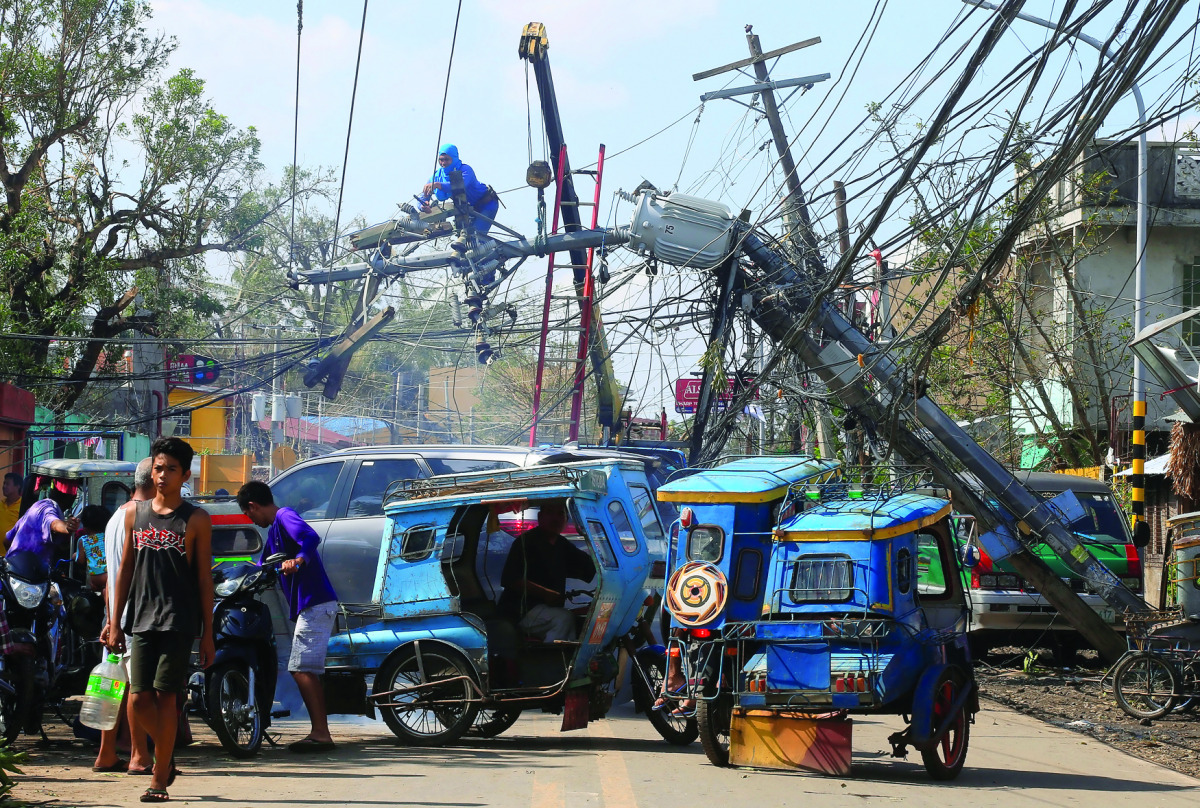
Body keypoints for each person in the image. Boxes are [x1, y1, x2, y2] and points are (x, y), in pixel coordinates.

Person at [108, 438, 215, 803]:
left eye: (171, 469)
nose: (162, 475)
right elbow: (124, 571)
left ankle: (157, 779)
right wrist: (113, 620)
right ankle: (165, 759)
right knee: (138, 700)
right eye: (157, 468)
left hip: (178, 620)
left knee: (167, 699)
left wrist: (208, 635)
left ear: (185, 474)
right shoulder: (133, 515)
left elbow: (204, 578)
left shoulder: (196, 519)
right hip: (140, 619)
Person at [237, 480, 338, 752]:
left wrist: (299, 560)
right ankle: (320, 731)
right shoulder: (274, 535)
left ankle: (321, 733)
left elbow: (311, 538)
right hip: (310, 606)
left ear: (253, 506)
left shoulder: (285, 516)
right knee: (305, 669)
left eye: (249, 515)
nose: (253, 520)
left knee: (301, 669)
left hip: (315, 603)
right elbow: (260, 566)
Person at [93, 459, 154, 776]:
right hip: (136, 616)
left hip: (117, 617)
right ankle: (139, 756)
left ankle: (105, 754)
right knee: (137, 688)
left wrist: (109, 620)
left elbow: (108, 580)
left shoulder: (115, 518)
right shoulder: (142, 517)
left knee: (112, 685)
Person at [498, 500, 595, 642]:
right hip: (521, 611)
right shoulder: (526, 542)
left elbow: (590, 568)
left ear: (566, 519)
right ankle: (552, 659)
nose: (555, 518)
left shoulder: (563, 545)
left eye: (560, 513)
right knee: (563, 618)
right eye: (550, 513)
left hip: (546, 611)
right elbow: (510, 579)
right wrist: (546, 594)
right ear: (540, 517)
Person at [411, 143, 500, 242]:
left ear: (454, 158)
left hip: (486, 204)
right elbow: (424, 196)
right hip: (467, 209)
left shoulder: (465, 170)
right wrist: (423, 205)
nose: (443, 163)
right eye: (441, 160)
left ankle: (497, 253)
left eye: (447, 159)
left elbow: (459, 185)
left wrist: (439, 185)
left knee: (476, 240)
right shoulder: (437, 176)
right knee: (463, 241)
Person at [5, 478, 78, 563]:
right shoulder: (48, 509)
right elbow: (53, 523)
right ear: (71, 498)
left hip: (12, 568)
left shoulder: (36, 506)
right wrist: (66, 526)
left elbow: (7, 540)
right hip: (26, 573)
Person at [76, 504, 112, 591]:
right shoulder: (110, 537)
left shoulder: (84, 540)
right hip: (113, 575)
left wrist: (75, 556)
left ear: (85, 527)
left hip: (97, 578)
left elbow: (80, 561)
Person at [0, 473, 22, 548]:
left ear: (17, 486)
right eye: (4, 483)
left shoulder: (22, 507)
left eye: (7, 484)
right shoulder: (1, 503)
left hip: (10, 556)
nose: (4, 486)